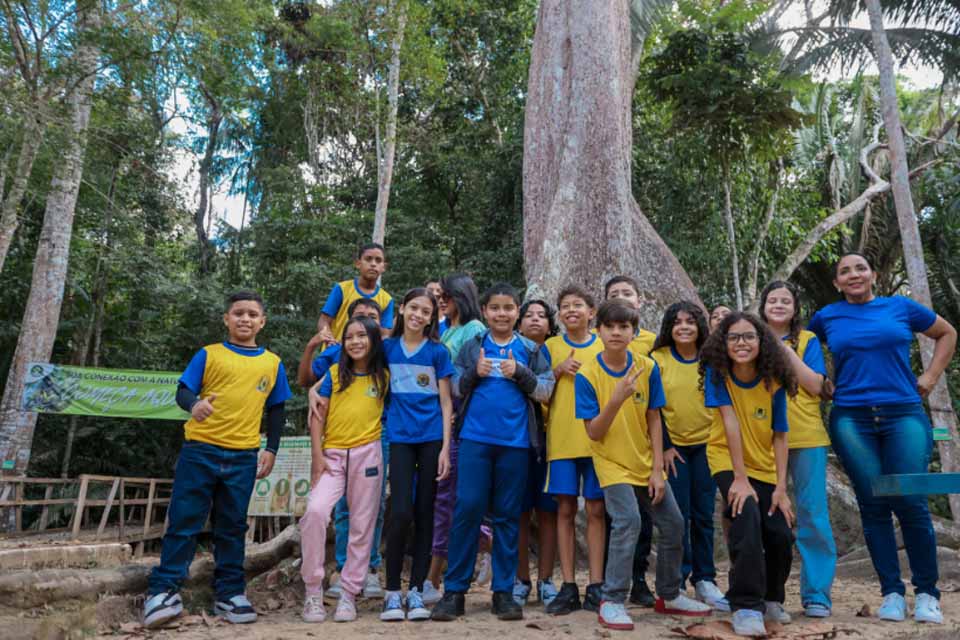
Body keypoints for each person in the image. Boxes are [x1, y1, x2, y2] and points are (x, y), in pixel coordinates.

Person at [808, 252, 957, 625]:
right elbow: (804, 349)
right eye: (845, 271)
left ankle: (927, 594)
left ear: (873, 275)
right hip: (851, 418)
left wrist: (930, 377)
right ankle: (891, 592)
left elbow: (947, 333)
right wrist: (821, 381)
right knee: (873, 505)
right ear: (837, 283)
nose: (854, 274)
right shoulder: (826, 318)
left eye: (860, 268)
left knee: (910, 499)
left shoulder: (901, 307)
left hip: (903, 412)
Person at [143, 291, 292, 629]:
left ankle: (229, 592)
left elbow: (278, 408)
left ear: (262, 322)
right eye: (238, 313)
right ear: (226, 318)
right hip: (201, 450)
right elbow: (183, 390)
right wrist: (194, 404)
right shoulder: (208, 354)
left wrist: (271, 450)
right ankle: (163, 590)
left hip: (243, 456)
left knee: (233, 526)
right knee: (184, 520)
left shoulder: (272, 362)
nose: (245, 319)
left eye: (253, 314)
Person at [577, 299, 712, 631]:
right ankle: (612, 599)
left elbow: (654, 419)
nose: (617, 333)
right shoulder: (587, 374)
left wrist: (656, 469)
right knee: (628, 522)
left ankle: (668, 594)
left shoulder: (646, 367)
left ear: (634, 332)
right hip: (611, 463)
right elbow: (594, 432)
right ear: (599, 331)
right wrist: (616, 399)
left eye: (624, 327)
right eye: (610, 327)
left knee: (674, 523)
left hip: (645, 462)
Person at [431, 282, 555, 622]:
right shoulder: (473, 346)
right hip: (474, 440)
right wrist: (476, 373)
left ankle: (503, 592)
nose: (502, 313)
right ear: (485, 312)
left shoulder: (530, 350)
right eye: (496, 308)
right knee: (467, 509)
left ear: (517, 312)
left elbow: (546, 391)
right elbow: (454, 384)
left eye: (509, 308)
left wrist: (521, 374)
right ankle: (454, 591)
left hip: (516, 445)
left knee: (507, 515)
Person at [700, 312, 796, 637]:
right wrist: (739, 479)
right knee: (746, 517)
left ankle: (772, 598)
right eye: (733, 337)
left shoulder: (775, 379)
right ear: (723, 344)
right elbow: (730, 423)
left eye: (749, 336)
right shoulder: (718, 374)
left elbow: (781, 434)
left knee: (781, 531)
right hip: (726, 459)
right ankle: (744, 604)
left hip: (764, 464)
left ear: (762, 341)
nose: (741, 343)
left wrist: (781, 487)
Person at [300, 316, 390, 623]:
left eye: (362, 336)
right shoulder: (336, 373)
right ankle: (313, 592)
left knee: (362, 526)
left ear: (373, 340)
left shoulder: (384, 376)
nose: (355, 342)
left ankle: (349, 594)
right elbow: (317, 416)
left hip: (369, 456)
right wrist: (317, 458)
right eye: (349, 336)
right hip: (333, 456)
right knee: (315, 512)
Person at [759, 280, 836, 619]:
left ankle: (816, 594)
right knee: (763, 516)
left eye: (785, 301)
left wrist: (784, 348)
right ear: (762, 306)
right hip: (760, 437)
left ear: (795, 309)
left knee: (812, 515)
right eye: (772, 300)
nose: (778, 305)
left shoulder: (807, 341)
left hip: (805, 436)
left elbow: (816, 386)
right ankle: (763, 593)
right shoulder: (748, 338)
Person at [380, 288, 454, 621]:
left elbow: (446, 403)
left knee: (426, 513)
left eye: (426, 311)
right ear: (402, 310)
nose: (418, 315)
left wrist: (445, 451)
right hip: (398, 438)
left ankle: (417, 591)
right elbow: (352, 373)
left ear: (432, 316)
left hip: (431, 440)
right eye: (413, 308)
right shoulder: (386, 349)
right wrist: (316, 390)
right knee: (400, 513)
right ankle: (392, 591)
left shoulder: (438, 352)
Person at [649, 302, 728, 611]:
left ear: (700, 326)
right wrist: (665, 446)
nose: (683, 327)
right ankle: (678, 580)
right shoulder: (657, 359)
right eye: (677, 322)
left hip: (707, 447)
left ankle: (705, 578)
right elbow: (652, 408)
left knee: (703, 514)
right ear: (669, 327)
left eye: (690, 322)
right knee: (678, 516)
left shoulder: (711, 359)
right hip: (674, 450)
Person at [425, 273, 490, 602]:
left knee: (448, 497)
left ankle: (435, 578)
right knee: (448, 496)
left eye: (446, 296)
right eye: (440, 296)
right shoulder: (446, 329)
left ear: (460, 297)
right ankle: (486, 541)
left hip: (462, 424)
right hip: (440, 421)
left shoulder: (475, 330)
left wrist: (456, 411)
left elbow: (471, 380)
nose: (441, 301)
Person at [543, 285, 606, 615]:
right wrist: (556, 372)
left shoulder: (603, 344)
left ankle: (597, 585)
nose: (571, 311)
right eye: (565, 306)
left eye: (577, 305)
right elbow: (538, 391)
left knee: (596, 510)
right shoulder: (551, 346)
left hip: (597, 440)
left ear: (591, 312)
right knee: (564, 510)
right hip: (562, 440)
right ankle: (568, 585)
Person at [601, 275, 656, 606]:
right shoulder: (599, 344)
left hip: (645, 448)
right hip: (605, 445)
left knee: (645, 521)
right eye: (613, 294)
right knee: (615, 519)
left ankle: (638, 580)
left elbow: (656, 404)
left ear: (640, 301)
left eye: (627, 294)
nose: (621, 297)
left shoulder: (651, 344)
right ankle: (609, 587)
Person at [514, 299, 560, 607]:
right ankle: (521, 580)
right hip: (517, 439)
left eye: (541, 315)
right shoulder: (512, 348)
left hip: (553, 440)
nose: (534, 320)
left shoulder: (556, 348)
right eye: (528, 315)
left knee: (548, 511)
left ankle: (546, 580)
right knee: (518, 511)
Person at [316, 242, 395, 344]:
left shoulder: (387, 299)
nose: (373, 264)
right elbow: (324, 321)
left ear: (383, 267)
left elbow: (384, 334)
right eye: (368, 259)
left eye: (378, 260)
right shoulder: (342, 289)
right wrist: (329, 340)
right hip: (335, 355)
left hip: (365, 358)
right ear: (358, 263)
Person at [298, 299, 383, 388]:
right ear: (350, 320)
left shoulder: (388, 350)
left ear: (380, 323)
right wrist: (310, 346)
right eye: (359, 316)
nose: (366, 321)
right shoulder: (335, 350)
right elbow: (305, 382)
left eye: (372, 317)